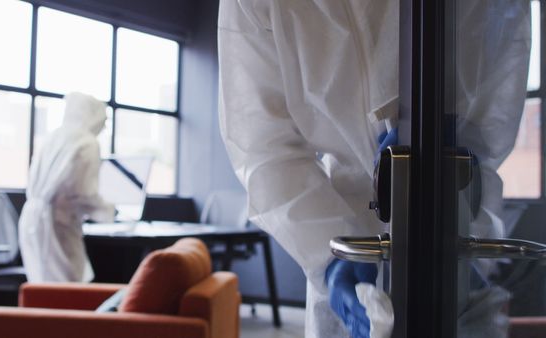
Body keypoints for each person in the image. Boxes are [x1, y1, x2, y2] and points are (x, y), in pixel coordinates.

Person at [217, 1, 530, 337]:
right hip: (342, 222)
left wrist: (461, 198)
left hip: (450, 211)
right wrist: (331, 255)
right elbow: (264, 146)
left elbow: (496, 102)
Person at [19, 92, 115, 283]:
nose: (103, 126)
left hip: (31, 218)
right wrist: (110, 212)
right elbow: (84, 193)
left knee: (40, 287)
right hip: (57, 222)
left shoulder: (54, 136)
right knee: (66, 290)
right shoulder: (87, 142)